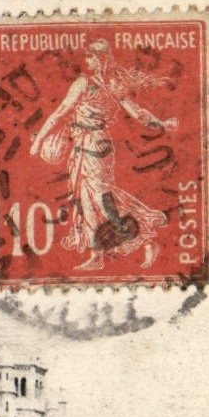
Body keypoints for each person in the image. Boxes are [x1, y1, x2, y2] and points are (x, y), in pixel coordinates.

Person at [30, 39, 177, 271]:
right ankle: (96, 255)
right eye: (87, 57)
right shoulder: (105, 84)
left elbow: (61, 112)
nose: (87, 61)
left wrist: (38, 141)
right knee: (85, 199)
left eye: (91, 57)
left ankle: (146, 236)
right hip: (84, 147)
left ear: (101, 59)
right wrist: (161, 123)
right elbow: (138, 114)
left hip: (95, 147)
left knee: (102, 198)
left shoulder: (88, 83)